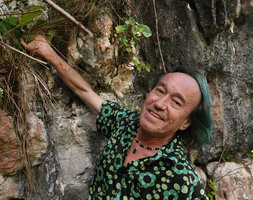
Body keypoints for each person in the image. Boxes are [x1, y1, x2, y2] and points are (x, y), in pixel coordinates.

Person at [21, 35, 213, 200]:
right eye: (160, 90)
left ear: (186, 122)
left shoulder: (181, 180)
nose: (160, 104)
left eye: (176, 103)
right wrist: (49, 53)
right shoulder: (126, 123)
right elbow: (85, 91)